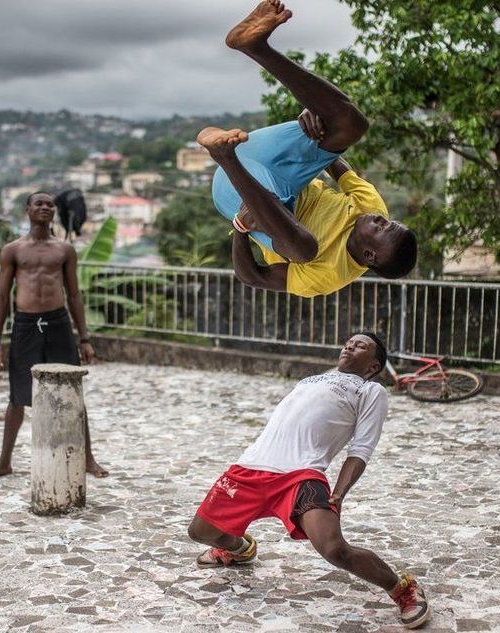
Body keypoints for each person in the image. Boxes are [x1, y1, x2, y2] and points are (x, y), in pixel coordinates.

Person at [187, 332, 430, 630]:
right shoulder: (312, 379)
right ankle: (238, 549)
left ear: (374, 365)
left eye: (361, 345)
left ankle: (403, 589)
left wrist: (339, 493)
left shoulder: (370, 391)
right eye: (349, 342)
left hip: (301, 474)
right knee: (200, 532)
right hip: (250, 467)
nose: (350, 345)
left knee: (334, 549)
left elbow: (361, 449)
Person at [198, 0, 417, 297]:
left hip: (241, 194)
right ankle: (253, 45)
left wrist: (240, 228)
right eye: (389, 222)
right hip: (265, 157)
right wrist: (317, 123)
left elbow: (253, 277)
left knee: (305, 250)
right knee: (352, 126)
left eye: (382, 229)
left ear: (369, 255)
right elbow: (335, 162)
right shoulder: (372, 208)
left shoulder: (328, 276)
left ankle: (223, 155)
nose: (381, 218)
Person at [0, 192, 108, 480]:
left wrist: (84, 338)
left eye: (50, 204)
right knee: (17, 396)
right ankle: (4, 461)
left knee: (73, 392)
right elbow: (2, 296)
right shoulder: (13, 250)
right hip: (25, 325)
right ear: (27, 210)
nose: (45, 207)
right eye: (39, 203)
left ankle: (88, 458)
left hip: (58, 323)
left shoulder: (64, 250)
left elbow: (74, 295)